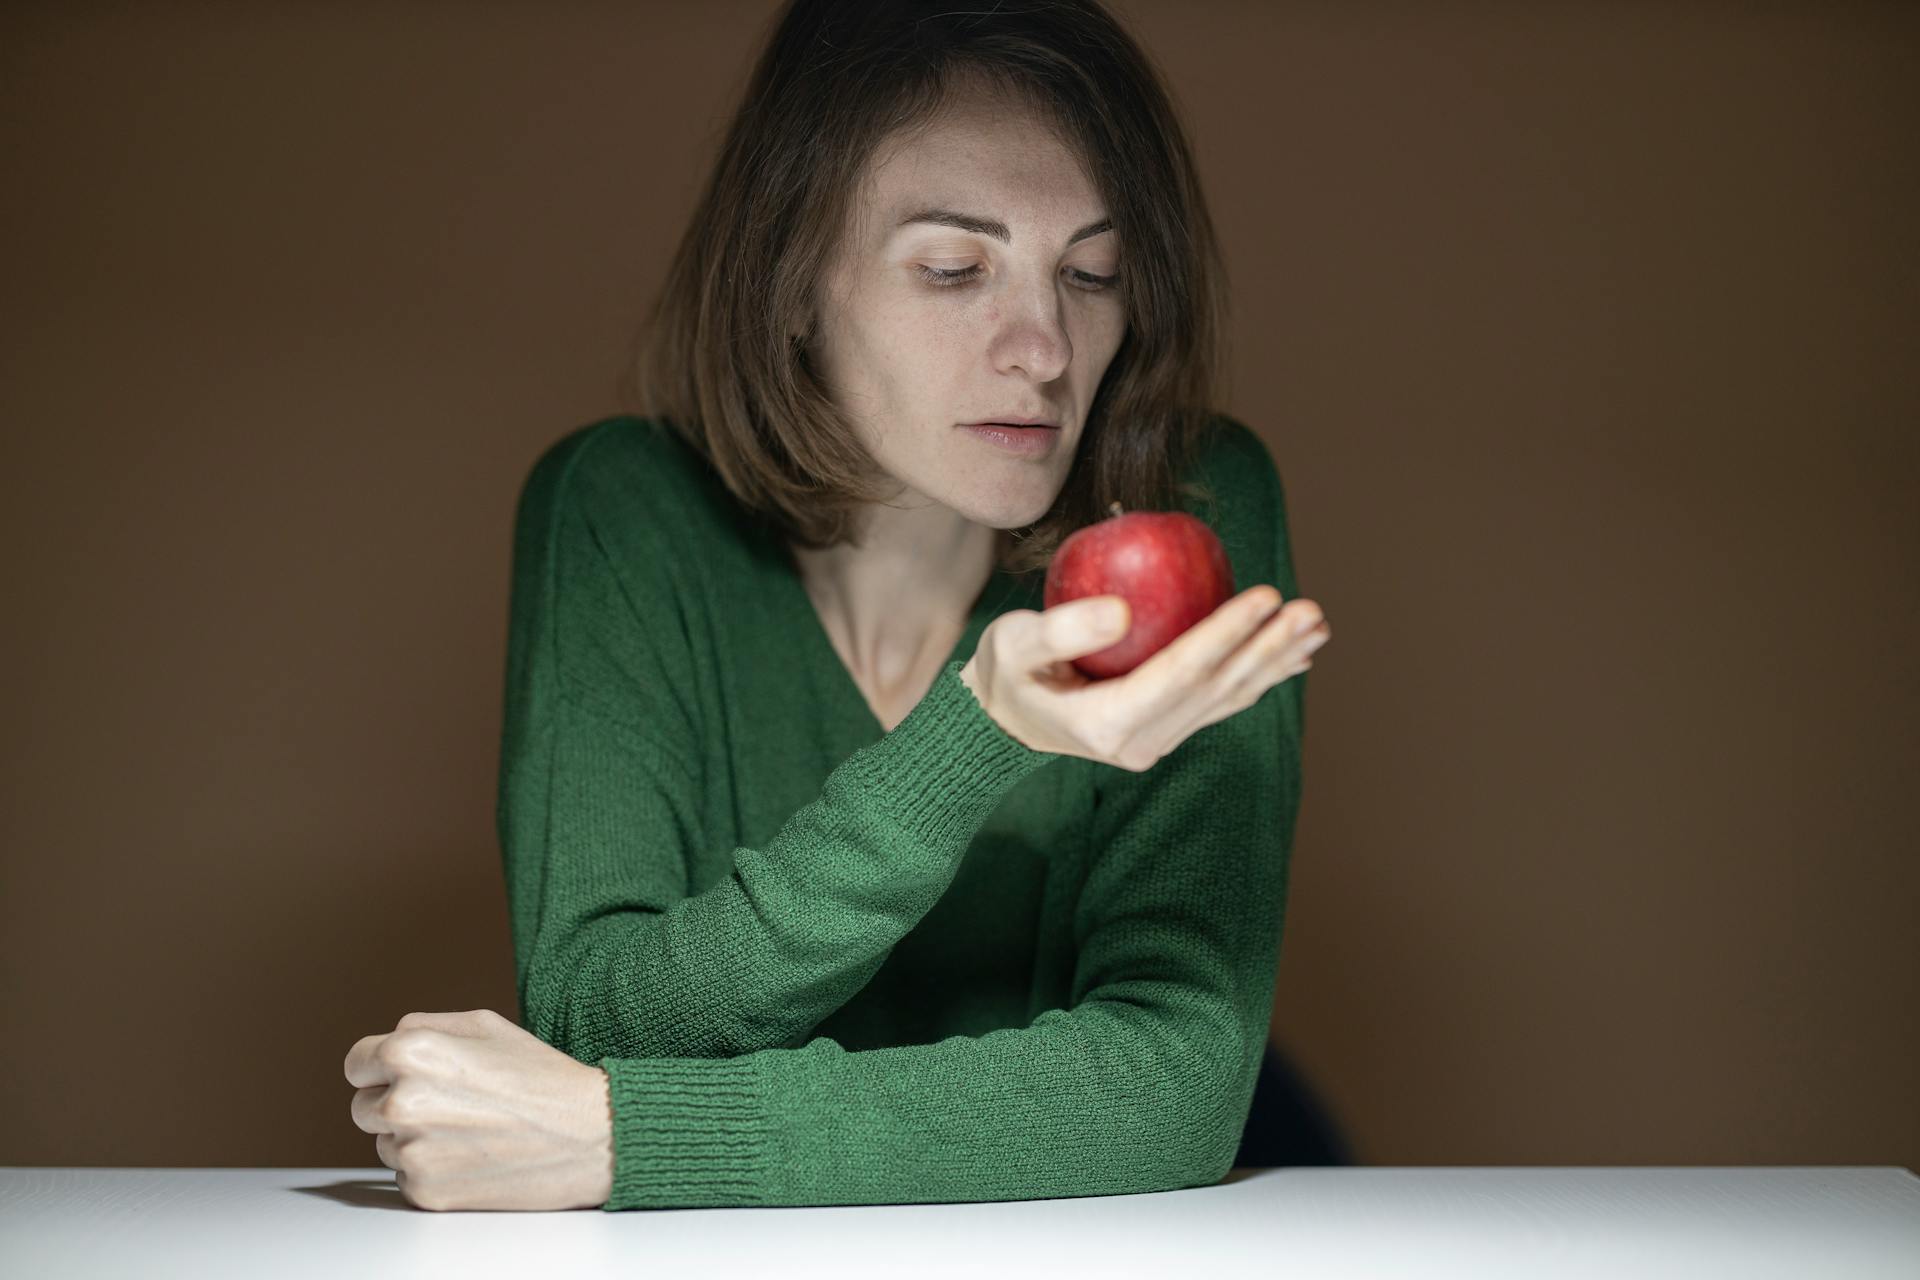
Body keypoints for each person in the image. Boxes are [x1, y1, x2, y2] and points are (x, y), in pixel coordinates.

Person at [349, 0, 1333, 1213]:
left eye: (1093, 273)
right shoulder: (622, 508)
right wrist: (976, 735)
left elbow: (1171, 1088)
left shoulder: (1192, 499)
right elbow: (596, 1007)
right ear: (795, 284)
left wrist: (628, 1135)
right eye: (952, 268)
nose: (1045, 347)